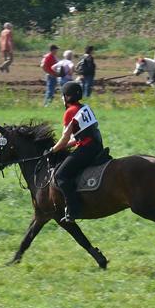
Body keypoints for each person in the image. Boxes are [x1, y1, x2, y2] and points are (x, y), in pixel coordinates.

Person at [46, 81, 104, 223]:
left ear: (67, 97)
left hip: (87, 149)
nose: (62, 98)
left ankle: (73, 209)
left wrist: (52, 150)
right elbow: (76, 139)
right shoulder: (85, 108)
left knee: (60, 175)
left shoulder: (70, 112)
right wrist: (60, 147)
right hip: (97, 146)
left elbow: (65, 139)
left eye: (63, 95)